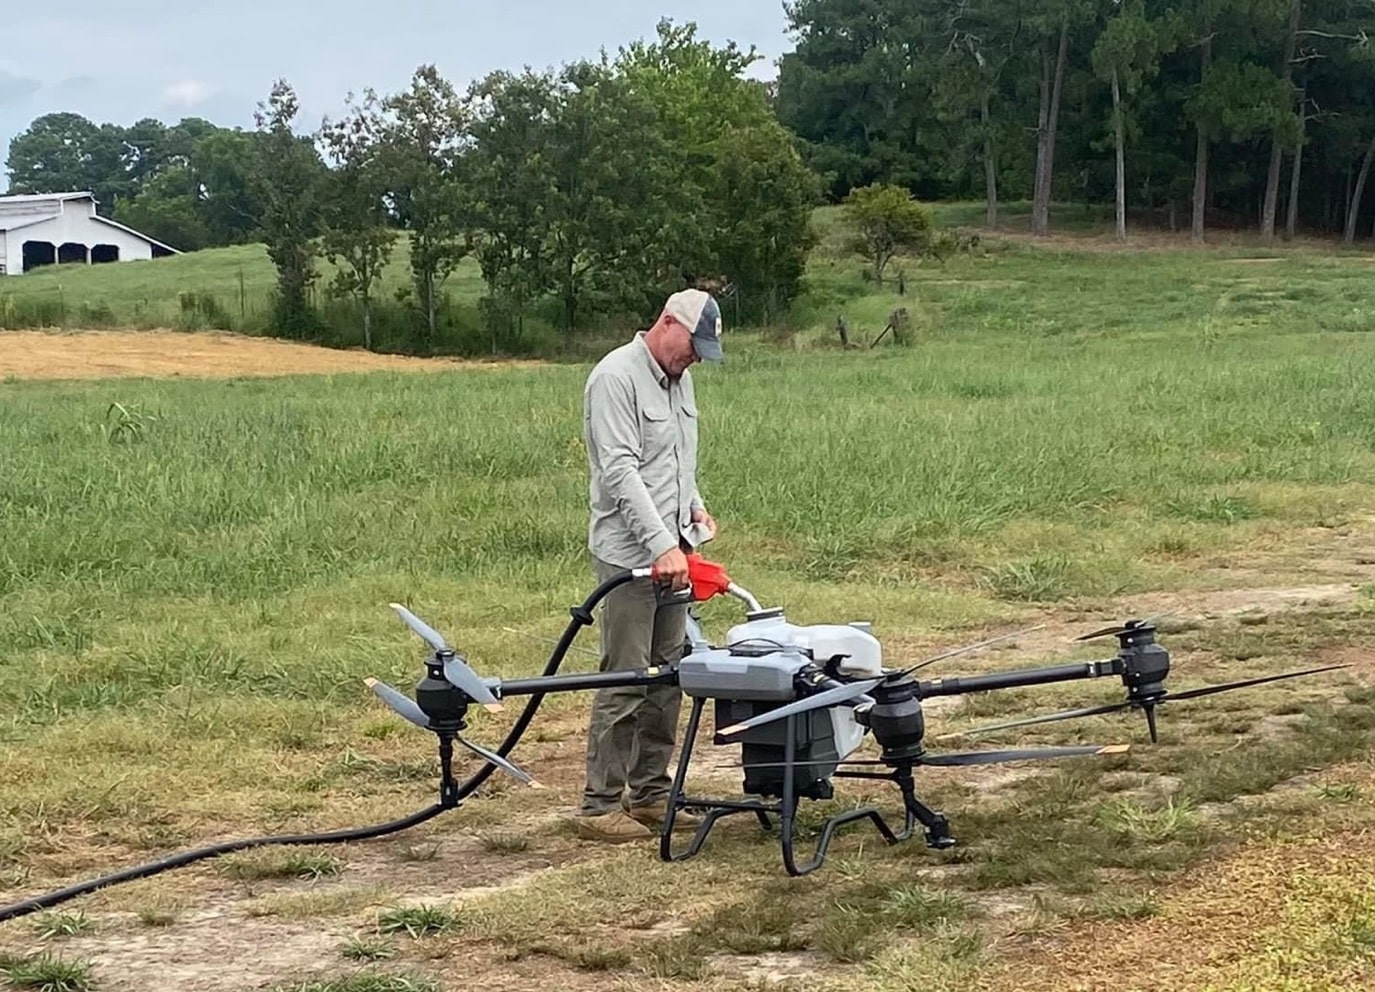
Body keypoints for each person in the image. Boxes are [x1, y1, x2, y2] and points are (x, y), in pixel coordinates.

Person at [574, 287, 725, 843]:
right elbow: (620, 472)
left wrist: (693, 507)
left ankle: (652, 794)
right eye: (692, 346)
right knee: (626, 679)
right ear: (666, 323)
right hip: (632, 558)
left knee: (669, 679)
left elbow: (675, 461)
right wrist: (660, 545)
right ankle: (599, 806)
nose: (694, 360)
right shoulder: (615, 377)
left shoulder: (678, 381)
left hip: (676, 556)